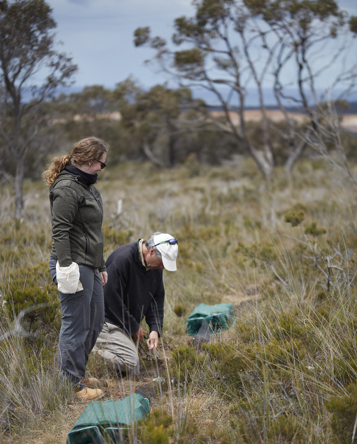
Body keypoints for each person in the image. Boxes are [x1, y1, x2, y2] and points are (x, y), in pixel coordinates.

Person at [43, 136, 109, 401]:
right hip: (71, 263)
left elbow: (94, 231)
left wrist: (101, 265)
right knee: (75, 325)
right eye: (101, 165)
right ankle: (72, 385)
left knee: (94, 322)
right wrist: (67, 268)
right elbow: (60, 230)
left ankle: (77, 372)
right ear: (90, 160)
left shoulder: (87, 186)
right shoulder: (67, 188)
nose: (102, 170)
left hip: (90, 264)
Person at [94, 232, 178, 377]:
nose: (163, 268)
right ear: (151, 251)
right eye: (163, 262)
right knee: (131, 363)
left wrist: (155, 329)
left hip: (124, 325)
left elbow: (156, 298)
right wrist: (133, 326)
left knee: (138, 369)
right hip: (106, 322)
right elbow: (109, 299)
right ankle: (89, 349)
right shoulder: (123, 259)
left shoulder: (154, 267)